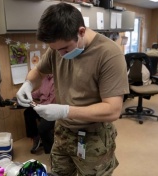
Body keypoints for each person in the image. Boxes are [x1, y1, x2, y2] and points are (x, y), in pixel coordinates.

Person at [16, 3, 129, 176]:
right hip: (63, 132)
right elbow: (39, 71)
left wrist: (65, 111)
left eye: (64, 49)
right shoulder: (57, 47)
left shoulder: (109, 54)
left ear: (81, 32)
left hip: (93, 136)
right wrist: (28, 84)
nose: (60, 55)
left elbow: (112, 110)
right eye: (55, 49)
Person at [24, 74, 55, 154]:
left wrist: (37, 106)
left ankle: (50, 151)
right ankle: (36, 138)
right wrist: (27, 95)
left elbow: (52, 102)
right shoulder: (44, 78)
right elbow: (39, 93)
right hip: (42, 107)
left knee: (42, 128)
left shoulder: (55, 81)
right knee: (28, 112)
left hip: (51, 110)